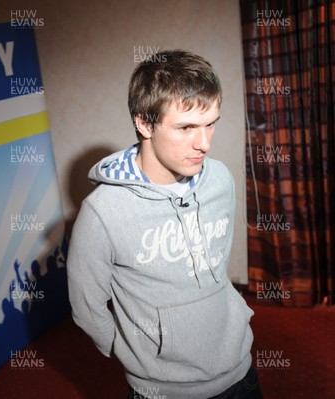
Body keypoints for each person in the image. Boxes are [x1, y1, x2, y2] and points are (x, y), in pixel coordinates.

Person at [67, 49, 262, 399]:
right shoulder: (102, 213)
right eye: (186, 127)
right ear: (144, 123)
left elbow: (215, 269)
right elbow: (87, 308)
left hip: (241, 370)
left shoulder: (220, 179)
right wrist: (137, 353)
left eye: (211, 123)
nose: (203, 144)